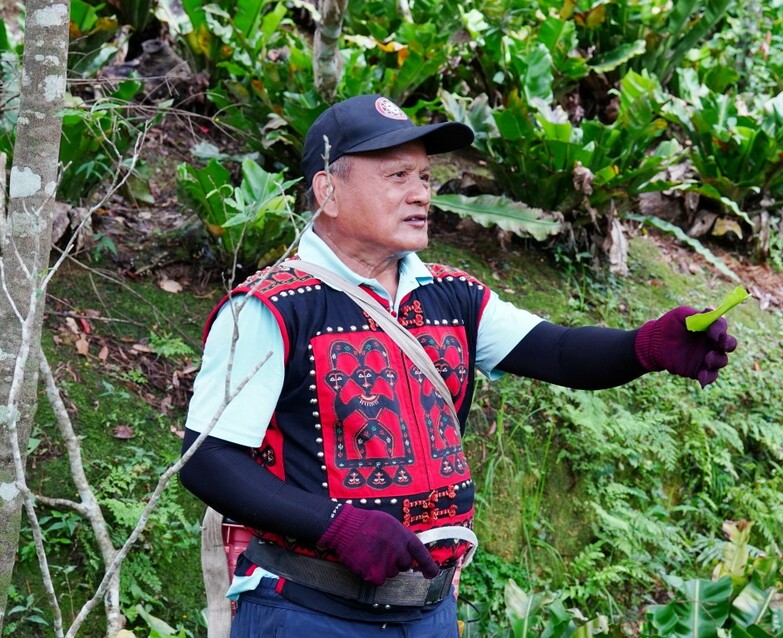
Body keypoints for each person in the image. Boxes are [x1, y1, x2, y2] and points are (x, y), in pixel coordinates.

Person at [179, 94, 738, 637]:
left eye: (424, 177)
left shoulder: (453, 296)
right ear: (328, 191)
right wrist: (337, 526)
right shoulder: (270, 308)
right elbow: (208, 460)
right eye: (397, 176)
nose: (421, 193)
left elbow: (562, 353)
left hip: (431, 613)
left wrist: (647, 346)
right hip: (308, 614)